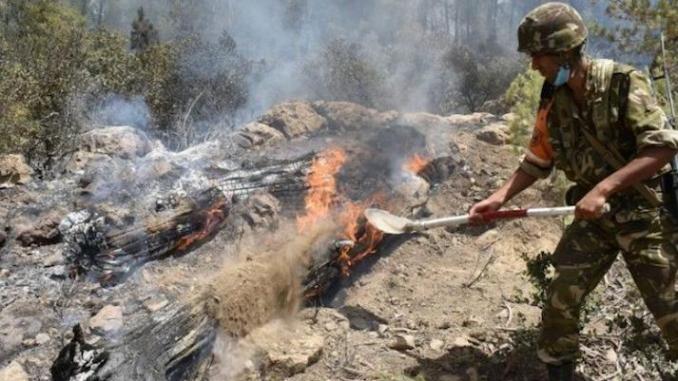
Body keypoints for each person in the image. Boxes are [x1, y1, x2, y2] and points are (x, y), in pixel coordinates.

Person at [468, 2, 678, 380]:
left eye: (539, 57)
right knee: (559, 296)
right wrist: (500, 196)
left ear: (565, 51)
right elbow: (538, 159)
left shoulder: (623, 83)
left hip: (645, 215)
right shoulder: (553, 98)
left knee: (671, 310)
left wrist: (604, 188)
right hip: (594, 217)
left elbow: (662, 147)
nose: (534, 66)